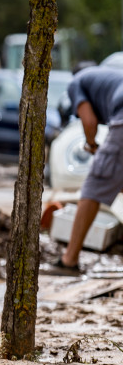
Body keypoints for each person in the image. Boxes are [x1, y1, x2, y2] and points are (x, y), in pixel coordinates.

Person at [50, 64, 123, 275]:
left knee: (93, 186)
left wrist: (91, 145)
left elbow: (89, 122)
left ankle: (69, 260)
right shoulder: (106, 76)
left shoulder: (76, 82)